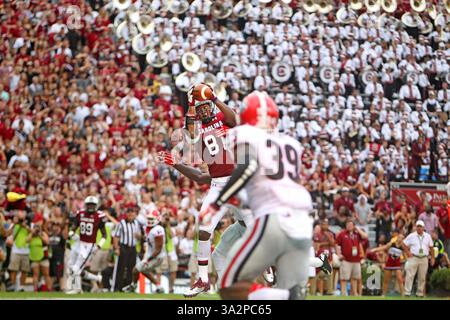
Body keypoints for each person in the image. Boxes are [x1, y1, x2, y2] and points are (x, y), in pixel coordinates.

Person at [200, 91, 316, 300]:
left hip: (271, 219)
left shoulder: (246, 136)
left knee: (228, 286)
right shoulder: (290, 143)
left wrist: (217, 203)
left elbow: (245, 168)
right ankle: (290, 292)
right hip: (300, 219)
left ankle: (287, 295)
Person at [66, 196, 107, 294]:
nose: (91, 207)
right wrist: (71, 233)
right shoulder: (80, 213)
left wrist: (99, 246)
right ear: (86, 204)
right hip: (78, 243)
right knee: (71, 267)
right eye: (89, 204)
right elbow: (74, 226)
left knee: (76, 268)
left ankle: (76, 289)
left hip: (89, 246)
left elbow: (104, 234)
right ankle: (97, 278)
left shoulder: (99, 216)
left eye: (93, 205)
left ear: (96, 205)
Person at [122, 210, 165, 293]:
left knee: (137, 269)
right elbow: (147, 241)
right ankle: (158, 287)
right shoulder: (147, 228)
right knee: (139, 270)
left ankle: (133, 286)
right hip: (150, 254)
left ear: (157, 219)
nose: (149, 220)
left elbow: (158, 248)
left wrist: (148, 259)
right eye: (148, 218)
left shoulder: (158, 229)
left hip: (157, 256)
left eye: (152, 219)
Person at [111, 205, 142, 292]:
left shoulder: (136, 223)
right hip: (124, 247)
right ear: (126, 214)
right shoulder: (121, 223)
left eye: (132, 214)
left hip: (133, 247)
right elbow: (116, 236)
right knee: (121, 267)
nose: (131, 216)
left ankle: (129, 287)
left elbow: (139, 236)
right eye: (129, 214)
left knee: (131, 268)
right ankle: (117, 287)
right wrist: (116, 248)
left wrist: (139, 236)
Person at [402, 220, 435, 297]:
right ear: (416, 227)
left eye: (420, 227)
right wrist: (408, 252)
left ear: (423, 228)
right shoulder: (411, 235)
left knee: (422, 276)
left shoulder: (428, 236)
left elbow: (431, 247)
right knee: (410, 275)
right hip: (414, 257)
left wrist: (432, 258)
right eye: (418, 226)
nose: (419, 228)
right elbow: (403, 244)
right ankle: (407, 292)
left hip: (424, 258)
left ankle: (419, 293)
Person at [336, 219, 368, 296]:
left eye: (350, 225)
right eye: (347, 225)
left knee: (355, 277)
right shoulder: (342, 234)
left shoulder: (357, 234)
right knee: (344, 278)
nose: (349, 226)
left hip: (356, 260)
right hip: (346, 259)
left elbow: (365, 236)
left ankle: (354, 293)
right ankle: (343, 293)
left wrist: (358, 229)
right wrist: (339, 254)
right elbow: (337, 244)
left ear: (354, 226)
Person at [369, 231, 405, 296]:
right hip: (389, 264)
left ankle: (403, 295)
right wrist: (375, 249)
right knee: (386, 280)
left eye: (401, 238)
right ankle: (383, 294)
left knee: (400, 279)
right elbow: (383, 247)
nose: (400, 239)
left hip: (397, 265)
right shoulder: (391, 244)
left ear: (403, 239)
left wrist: (403, 261)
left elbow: (406, 255)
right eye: (399, 237)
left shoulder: (403, 247)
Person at [6, 210, 31, 292]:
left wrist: (25, 226)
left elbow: (32, 232)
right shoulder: (14, 224)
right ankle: (13, 286)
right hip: (15, 250)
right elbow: (8, 233)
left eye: (21, 217)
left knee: (24, 270)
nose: (20, 218)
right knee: (13, 269)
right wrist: (14, 225)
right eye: (19, 217)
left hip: (25, 250)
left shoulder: (28, 224)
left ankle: (21, 287)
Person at [27, 219, 51, 292]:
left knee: (46, 274)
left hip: (44, 256)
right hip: (34, 256)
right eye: (35, 228)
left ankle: (49, 290)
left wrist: (39, 234)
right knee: (35, 274)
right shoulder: (31, 235)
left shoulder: (43, 233)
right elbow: (27, 240)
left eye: (38, 228)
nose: (37, 229)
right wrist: (32, 233)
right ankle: (35, 290)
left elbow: (47, 242)